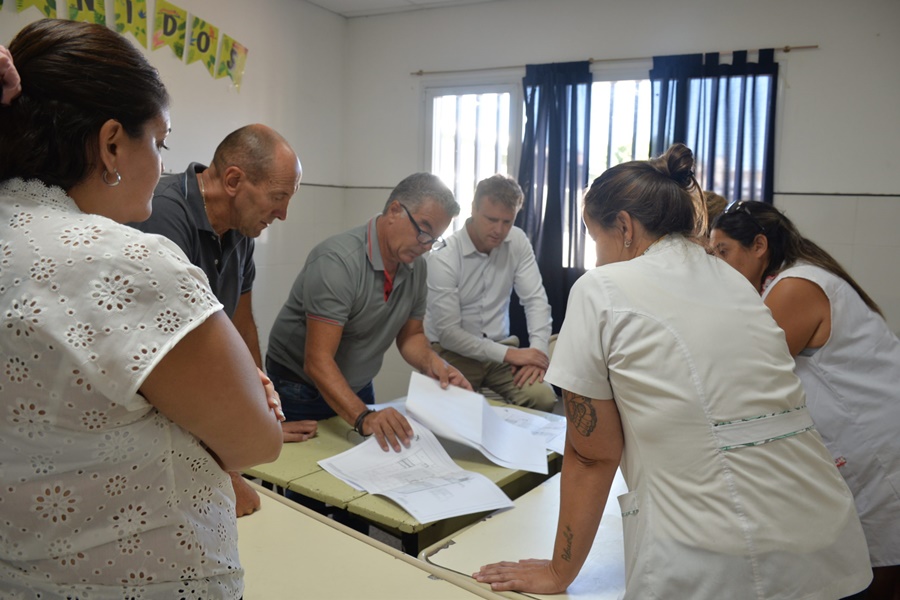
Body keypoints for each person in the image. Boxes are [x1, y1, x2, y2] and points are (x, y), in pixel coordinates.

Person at [474, 144, 872, 599]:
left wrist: (559, 573)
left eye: (594, 237)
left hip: (718, 560)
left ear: (623, 226)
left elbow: (591, 455)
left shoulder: (602, 288)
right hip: (828, 542)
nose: (597, 255)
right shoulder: (734, 281)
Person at [0, 19, 283, 599]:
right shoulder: (128, 261)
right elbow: (257, 442)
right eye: (160, 142)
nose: (162, 164)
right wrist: (238, 399)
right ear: (110, 144)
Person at [710, 201, 900, 599]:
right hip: (868, 433)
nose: (717, 263)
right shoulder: (792, 279)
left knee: (878, 566)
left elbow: (749, 377)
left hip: (878, 442)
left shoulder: (795, 287)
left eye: (722, 251)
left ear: (759, 245)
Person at [130, 124, 316, 516]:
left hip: (196, 431)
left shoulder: (240, 228)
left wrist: (264, 413)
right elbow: (172, 367)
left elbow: (242, 327)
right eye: (278, 197)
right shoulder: (162, 216)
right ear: (234, 180)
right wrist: (227, 472)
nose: (282, 214)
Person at [266, 172, 472, 453]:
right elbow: (317, 361)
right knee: (307, 482)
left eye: (434, 240)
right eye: (423, 231)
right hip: (302, 388)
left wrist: (436, 366)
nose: (425, 247)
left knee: (362, 467)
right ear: (395, 210)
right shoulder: (337, 262)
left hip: (357, 383)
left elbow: (411, 335)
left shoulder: (415, 265)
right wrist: (363, 417)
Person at [425, 174, 556, 411]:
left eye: (507, 221)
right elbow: (448, 334)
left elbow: (536, 301)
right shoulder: (444, 257)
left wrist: (537, 354)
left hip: (500, 349)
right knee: (452, 414)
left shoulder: (517, 241)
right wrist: (511, 355)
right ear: (473, 209)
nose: (499, 230)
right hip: (451, 352)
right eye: (491, 219)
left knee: (544, 397)